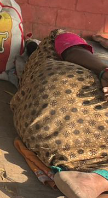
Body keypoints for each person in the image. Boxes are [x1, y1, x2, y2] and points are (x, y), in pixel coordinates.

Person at [11, 30, 108, 198]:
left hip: (41, 126)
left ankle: (95, 181)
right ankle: (99, 180)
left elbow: (67, 42)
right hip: (68, 132)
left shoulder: (57, 44)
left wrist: (104, 71)